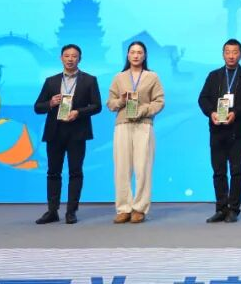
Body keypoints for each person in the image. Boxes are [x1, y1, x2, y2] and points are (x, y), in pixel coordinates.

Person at [32, 44, 102, 224]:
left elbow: (97, 106)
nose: (70, 59)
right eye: (67, 56)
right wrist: (50, 103)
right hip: (55, 132)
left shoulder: (89, 80)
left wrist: (78, 112)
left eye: (74, 56)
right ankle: (52, 211)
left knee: (75, 172)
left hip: (77, 132)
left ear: (80, 59)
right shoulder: (51, 81)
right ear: (61, 58)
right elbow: (37, 107)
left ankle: (71, 211)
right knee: (53, 172)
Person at [197, 38, 241, 223]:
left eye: (235, 52)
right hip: (217, 130)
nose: (231, 56)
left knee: (236, 171)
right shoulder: (214, 76)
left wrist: (236, 112)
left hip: (237, 131)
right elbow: (203, 99)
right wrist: (211, 113)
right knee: (218, 171)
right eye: (227, 52)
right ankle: (221, 208)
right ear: (223, 54)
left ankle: (234, 209)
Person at [106, 41, 165, 223]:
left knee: (143, 167)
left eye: (139, 52)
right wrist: (121, 101)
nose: (136, 55)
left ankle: (139, 208)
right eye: (132, 52)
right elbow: (110, 103)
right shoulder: (119, 77)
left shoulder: (152, 77)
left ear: (145, 55)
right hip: (122, 125)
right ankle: (123, 208)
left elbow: (159, 102)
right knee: (121, 168)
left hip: (144, 124)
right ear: (128, 55)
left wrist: (143, 110)